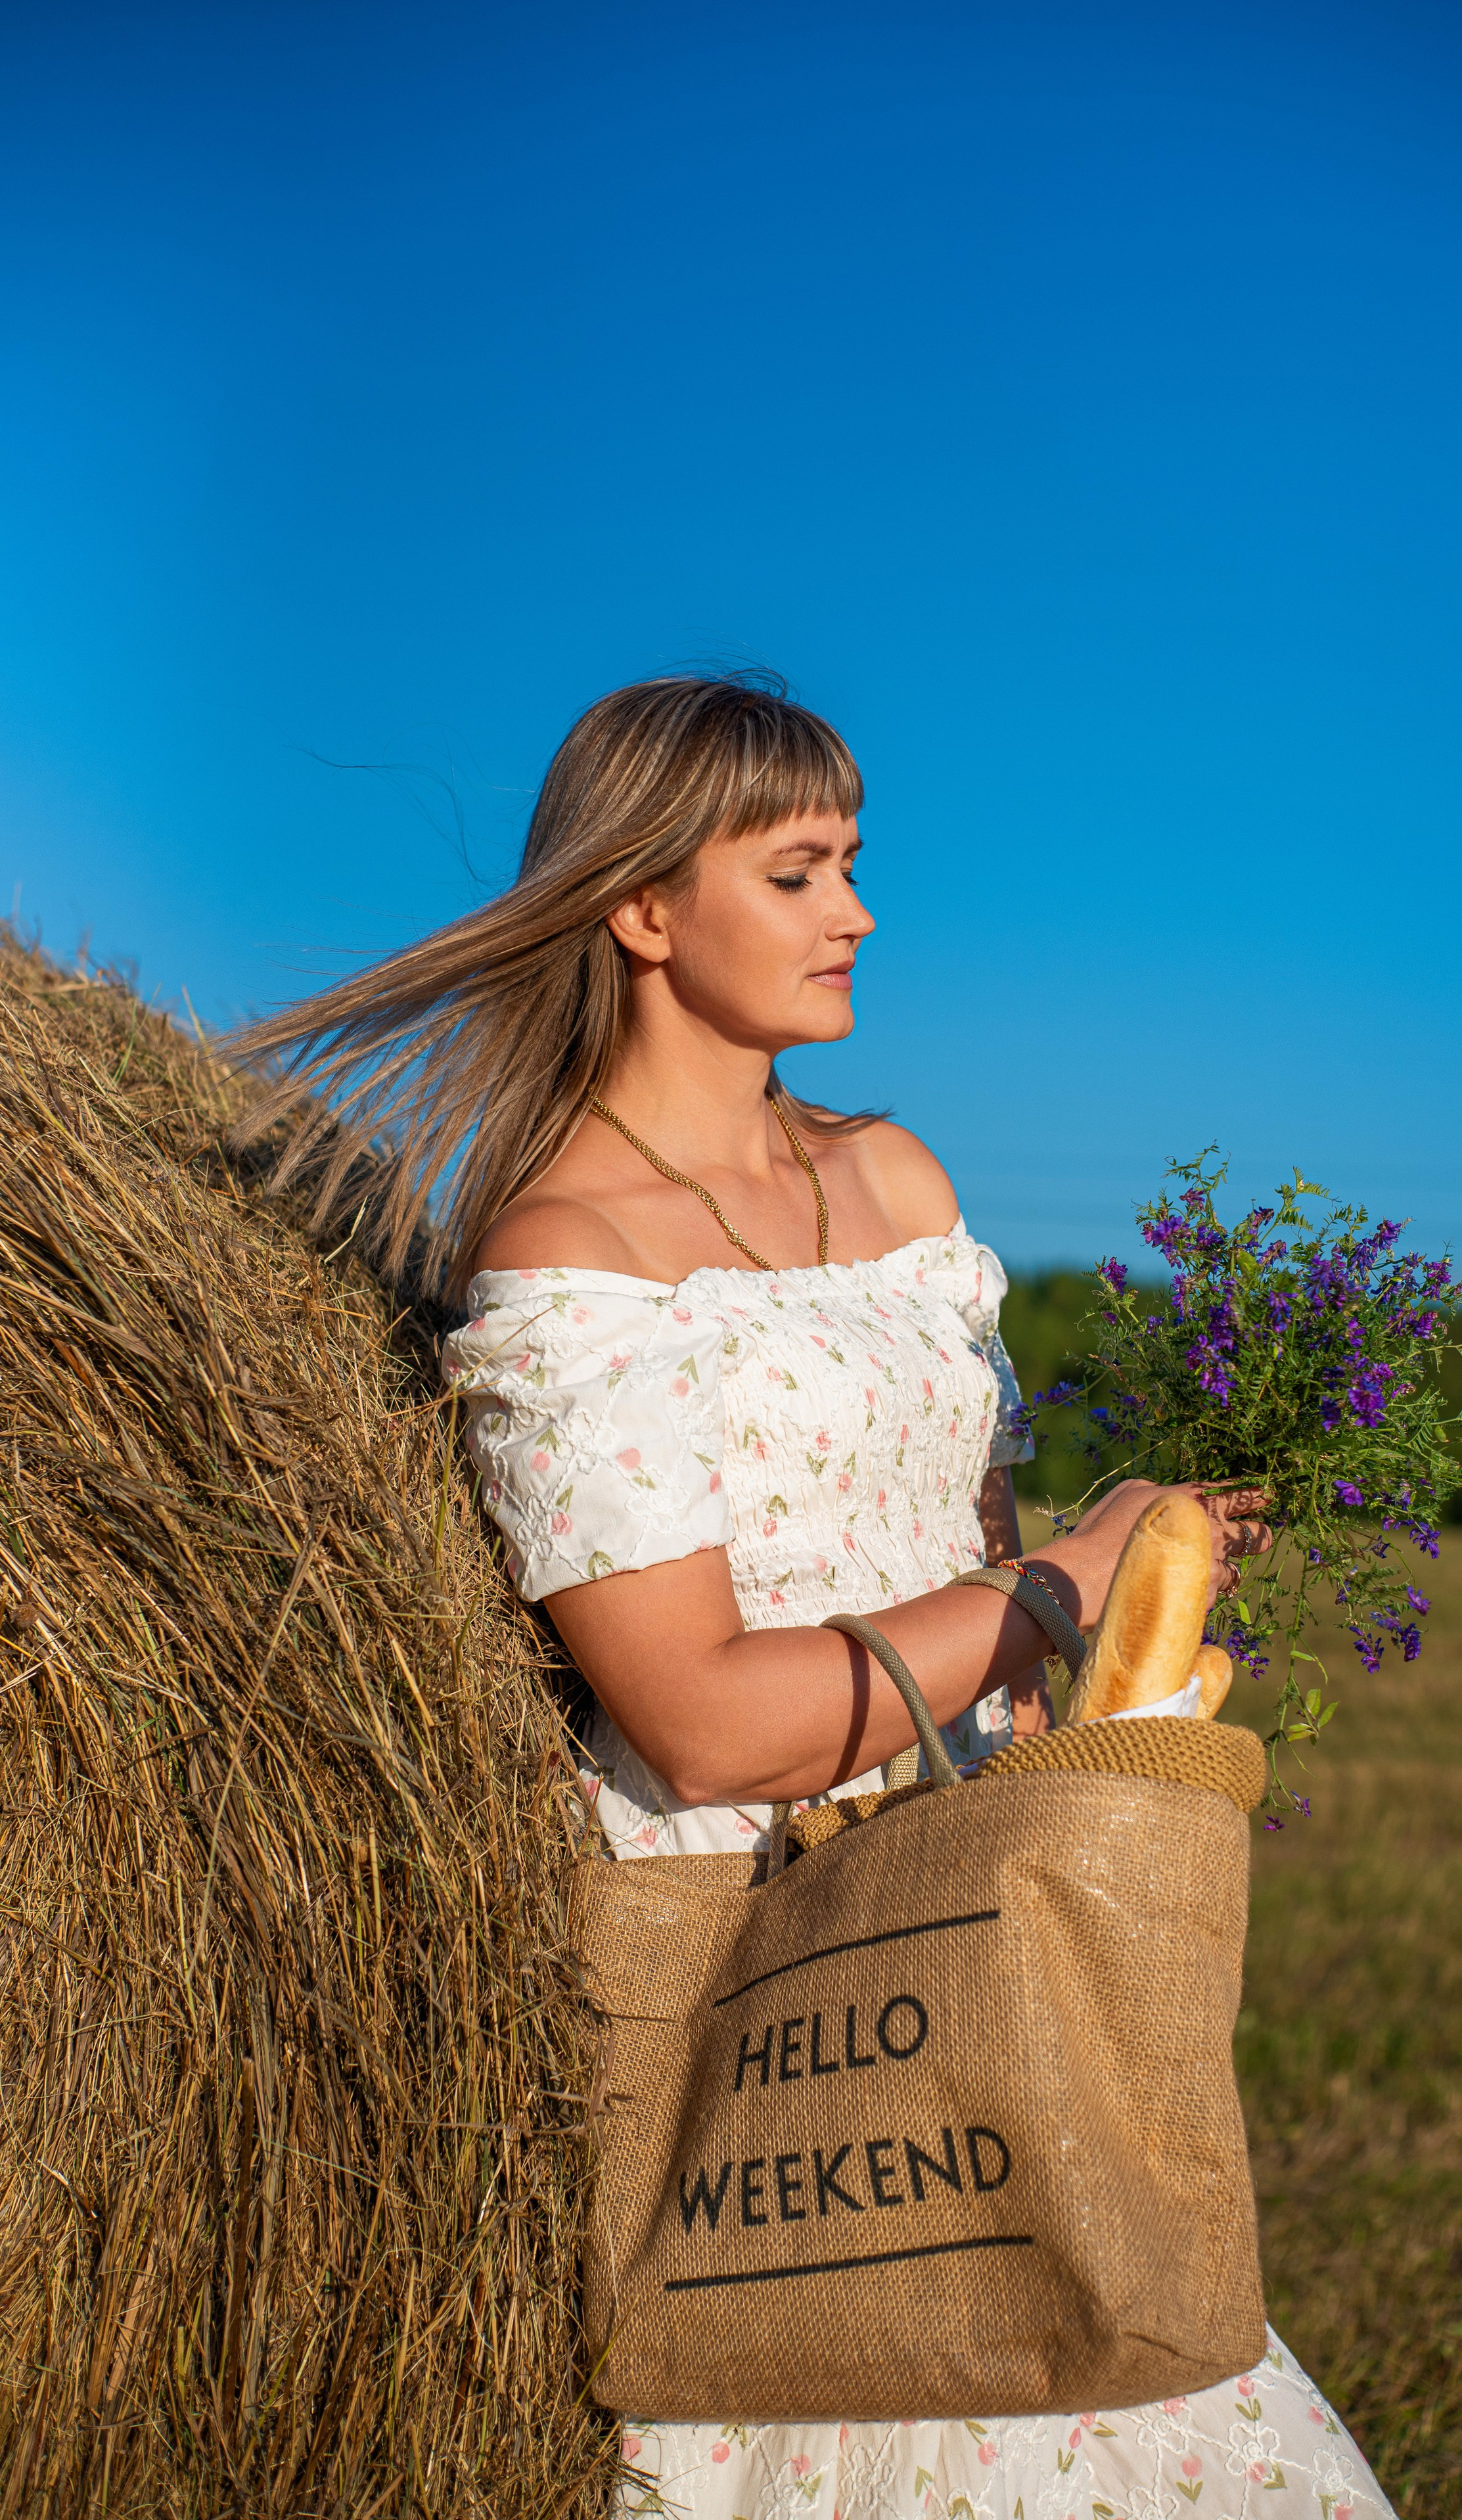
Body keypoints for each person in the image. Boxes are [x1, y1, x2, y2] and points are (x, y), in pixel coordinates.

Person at [244, 675, 1396, 2519]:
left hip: (975, 1911)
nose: (855, 909)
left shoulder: (897, 1178)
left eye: (853, 862)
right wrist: (1050, 1584)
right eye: (796, 871)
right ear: (641, 907)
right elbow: (695, 1716)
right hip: (768, 1975)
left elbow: (990, 1569)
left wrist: (1112, 1595)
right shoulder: (566, 1257)